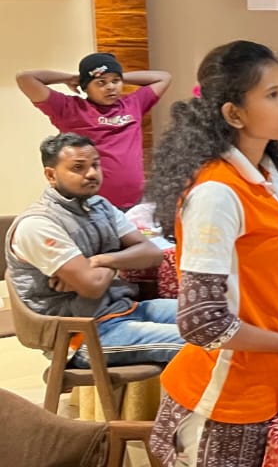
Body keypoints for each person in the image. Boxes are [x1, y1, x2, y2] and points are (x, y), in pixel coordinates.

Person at [145, 40, 278, 467]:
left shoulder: (264, 178)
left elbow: (268, 273)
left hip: (261, 386)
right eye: (272, 95)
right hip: (220, 397)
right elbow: (203, 322)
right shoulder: (217, 193)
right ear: (234, 114)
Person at [5, 133, 182, 367]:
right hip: (82, 335)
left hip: (125, 309)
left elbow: (152, 254)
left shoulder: (101, 206)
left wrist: (100, 261)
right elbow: (93, 286)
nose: (91, 173)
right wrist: (116, 262)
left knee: (216, 319)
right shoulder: (38, 224)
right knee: (204, 342)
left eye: (95, 165)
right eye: (78, 168)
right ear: (51, 175)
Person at [16, 53, 172, 209]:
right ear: (86, 87)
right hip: (90, 207)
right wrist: (70, 78)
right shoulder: (70, 109)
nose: (110, 87)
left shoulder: (133, 104)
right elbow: (25, 78)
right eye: (101, 82)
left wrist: (117, 74)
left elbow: (164, 77)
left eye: (115, 81)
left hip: (133, 205)